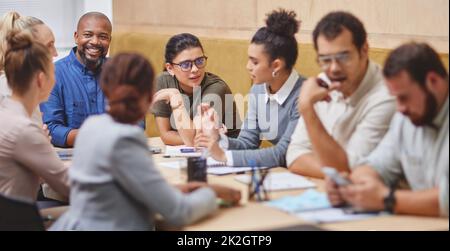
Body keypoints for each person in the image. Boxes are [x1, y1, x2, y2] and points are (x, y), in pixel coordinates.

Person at [50, 53, 241, 231]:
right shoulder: (126, 138)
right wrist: (212, 193)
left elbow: (122, 190)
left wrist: (186, 189)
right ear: (150, 96)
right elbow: (180, 212)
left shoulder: (91, 127)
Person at [326, 42, 449, 217]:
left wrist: (387, 199)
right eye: (395, 98)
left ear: (433, 81)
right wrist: (351, 186)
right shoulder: (406, 118)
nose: (399, 108)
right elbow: (377, 165)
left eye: (404, 98)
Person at [286, 11, 396, 178]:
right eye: (326, 60)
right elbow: (294, 156)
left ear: (364, 50)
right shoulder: (322, 83)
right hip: (327, 190)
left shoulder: (386, 96)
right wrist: (336, 175)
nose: (334, 68)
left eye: (343, 57)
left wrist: (307, 109)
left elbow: (350, 167)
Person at [195, 9, 304, 167]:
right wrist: (217, 139)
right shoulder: (258, 89)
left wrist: (224, 156)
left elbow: (283, 153)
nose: (248, 67)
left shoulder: (304, 95)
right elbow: (247, 143)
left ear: (276, 65)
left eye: (255, 62)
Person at [0, 30, 69, 203]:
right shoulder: (24, 129)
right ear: (40, 79)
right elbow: (67, 184)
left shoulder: (6, 115)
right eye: (53, 73)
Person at [151, 33, 240, 146]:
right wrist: (193, 137)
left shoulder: (216, 88)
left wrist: (176, 98)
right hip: (190, 151)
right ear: (170, 68)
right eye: (185, 64)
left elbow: (193, 138)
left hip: (228, 153)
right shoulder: (163, 82)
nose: (195, 69)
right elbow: (166, 135)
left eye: (199, 61)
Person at [40, 12, 112, 147]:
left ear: (110, 41)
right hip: (71, 159)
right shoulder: (53, 74)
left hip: (117, 155)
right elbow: (52, 129)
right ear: (76, 37)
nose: (95, 41)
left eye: (103, 37)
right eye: (88, 35)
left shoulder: (121, 72)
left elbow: (137, 121)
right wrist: (98, 136)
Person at [0, 11, 58, 125]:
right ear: (27, 48)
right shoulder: (10, 89)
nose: (55, 53)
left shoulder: (22, 82)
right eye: (49, 45)